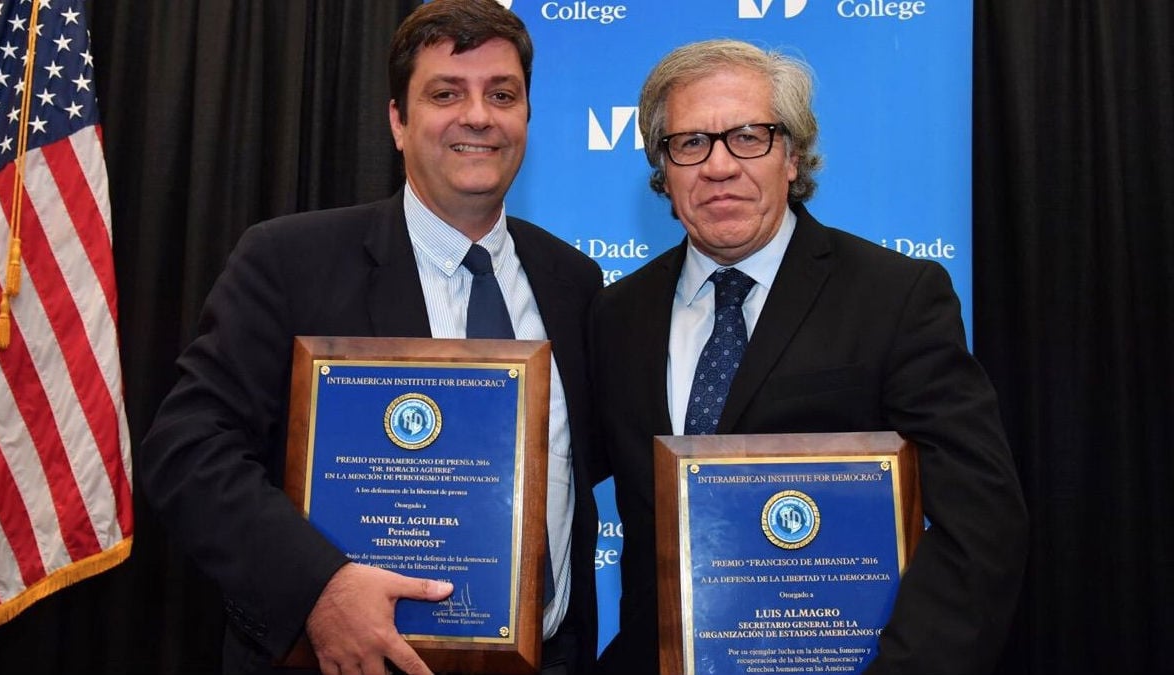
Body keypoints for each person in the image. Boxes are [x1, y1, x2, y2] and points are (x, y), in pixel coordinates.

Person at [139, 2, 601, 674]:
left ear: (526, 116)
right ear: (396, 120)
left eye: (502, 94)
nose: (478, 115)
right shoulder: (289, 261)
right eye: (446, 93)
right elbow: (185, 449)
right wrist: (317, 586)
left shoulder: (575, 282)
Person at [590, 39, 1027, 674]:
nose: (718, 166)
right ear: (664, 167)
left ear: (792, 155)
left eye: (749, 136)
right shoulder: (616, 316)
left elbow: (981, 523)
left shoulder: (895, 299)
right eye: (690, 143)